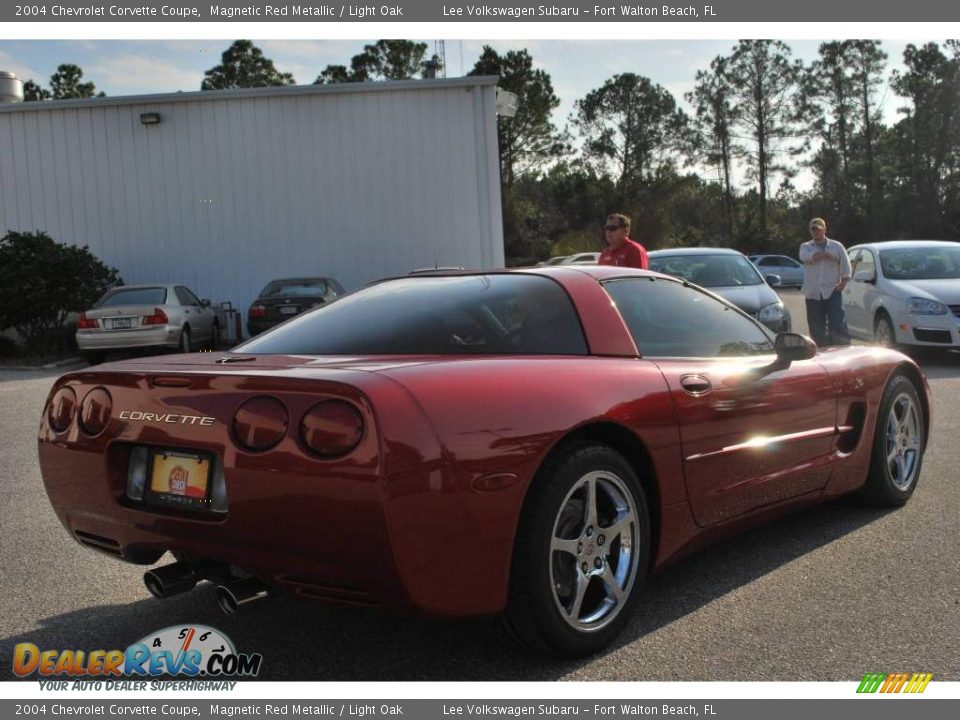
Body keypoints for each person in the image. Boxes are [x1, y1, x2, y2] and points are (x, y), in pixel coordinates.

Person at [799, 217, 852, 347]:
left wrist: (843, 284)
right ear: (810, 231)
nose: (816, 232)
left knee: (838, 323)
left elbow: (846, 266)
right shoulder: (806, 247)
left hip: (832, 291)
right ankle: (820, 352)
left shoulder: (836, 246)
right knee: (816, 327)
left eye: (818, 229)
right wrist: (826, 255)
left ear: (824, 230)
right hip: (813, 293)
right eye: (813, 230)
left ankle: (843, 350)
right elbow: (807, 258)